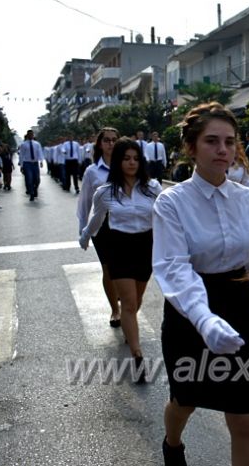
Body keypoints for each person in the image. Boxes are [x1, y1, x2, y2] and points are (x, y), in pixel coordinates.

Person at [153, 102, 249, 466]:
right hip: (189, 311)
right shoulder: (172, 202)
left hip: (238, 304)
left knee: (246, 416)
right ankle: (172, 443)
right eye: (212, 141)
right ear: (191, 147)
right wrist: (204, 318)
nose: (223, 150)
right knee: (186, 400)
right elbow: (174, 268)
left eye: (230, 142)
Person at [79, 138, 161, 381]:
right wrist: (85, 236)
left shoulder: (153, 188)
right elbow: (97, 218)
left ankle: (129, 328)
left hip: (146, 245)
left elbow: (167, 217)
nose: (132, 163)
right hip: (119, 247)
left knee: (136, 302)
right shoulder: (105, 192)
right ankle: (137, 355)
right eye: (126, 158)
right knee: (127, 302)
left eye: (136, 158)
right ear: (118, 161)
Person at [77, 127, 122, 327]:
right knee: (108, 269)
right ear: (100, 144)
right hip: (101, 226)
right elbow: (85, 202)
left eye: (114, 140)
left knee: (126, 268)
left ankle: (124, 298)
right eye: (107, 140)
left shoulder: (128, 165)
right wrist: (83, 229)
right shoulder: (92, 171)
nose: (111, 144)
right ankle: (115, 310)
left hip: (127, 224)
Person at [17, 130, 44, 201]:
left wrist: (41, 161)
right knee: (29, 178)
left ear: (33, 135)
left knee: (37, 179)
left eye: (32, 134)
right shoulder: (23, 144)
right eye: (29, 134)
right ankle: (31, 193)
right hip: (27, 163)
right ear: (27, 135)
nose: (31, 136)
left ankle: (35, 189)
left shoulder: (37, 144)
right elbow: (21, 155)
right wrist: (21, 165)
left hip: (35, 163)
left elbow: (40, 152)